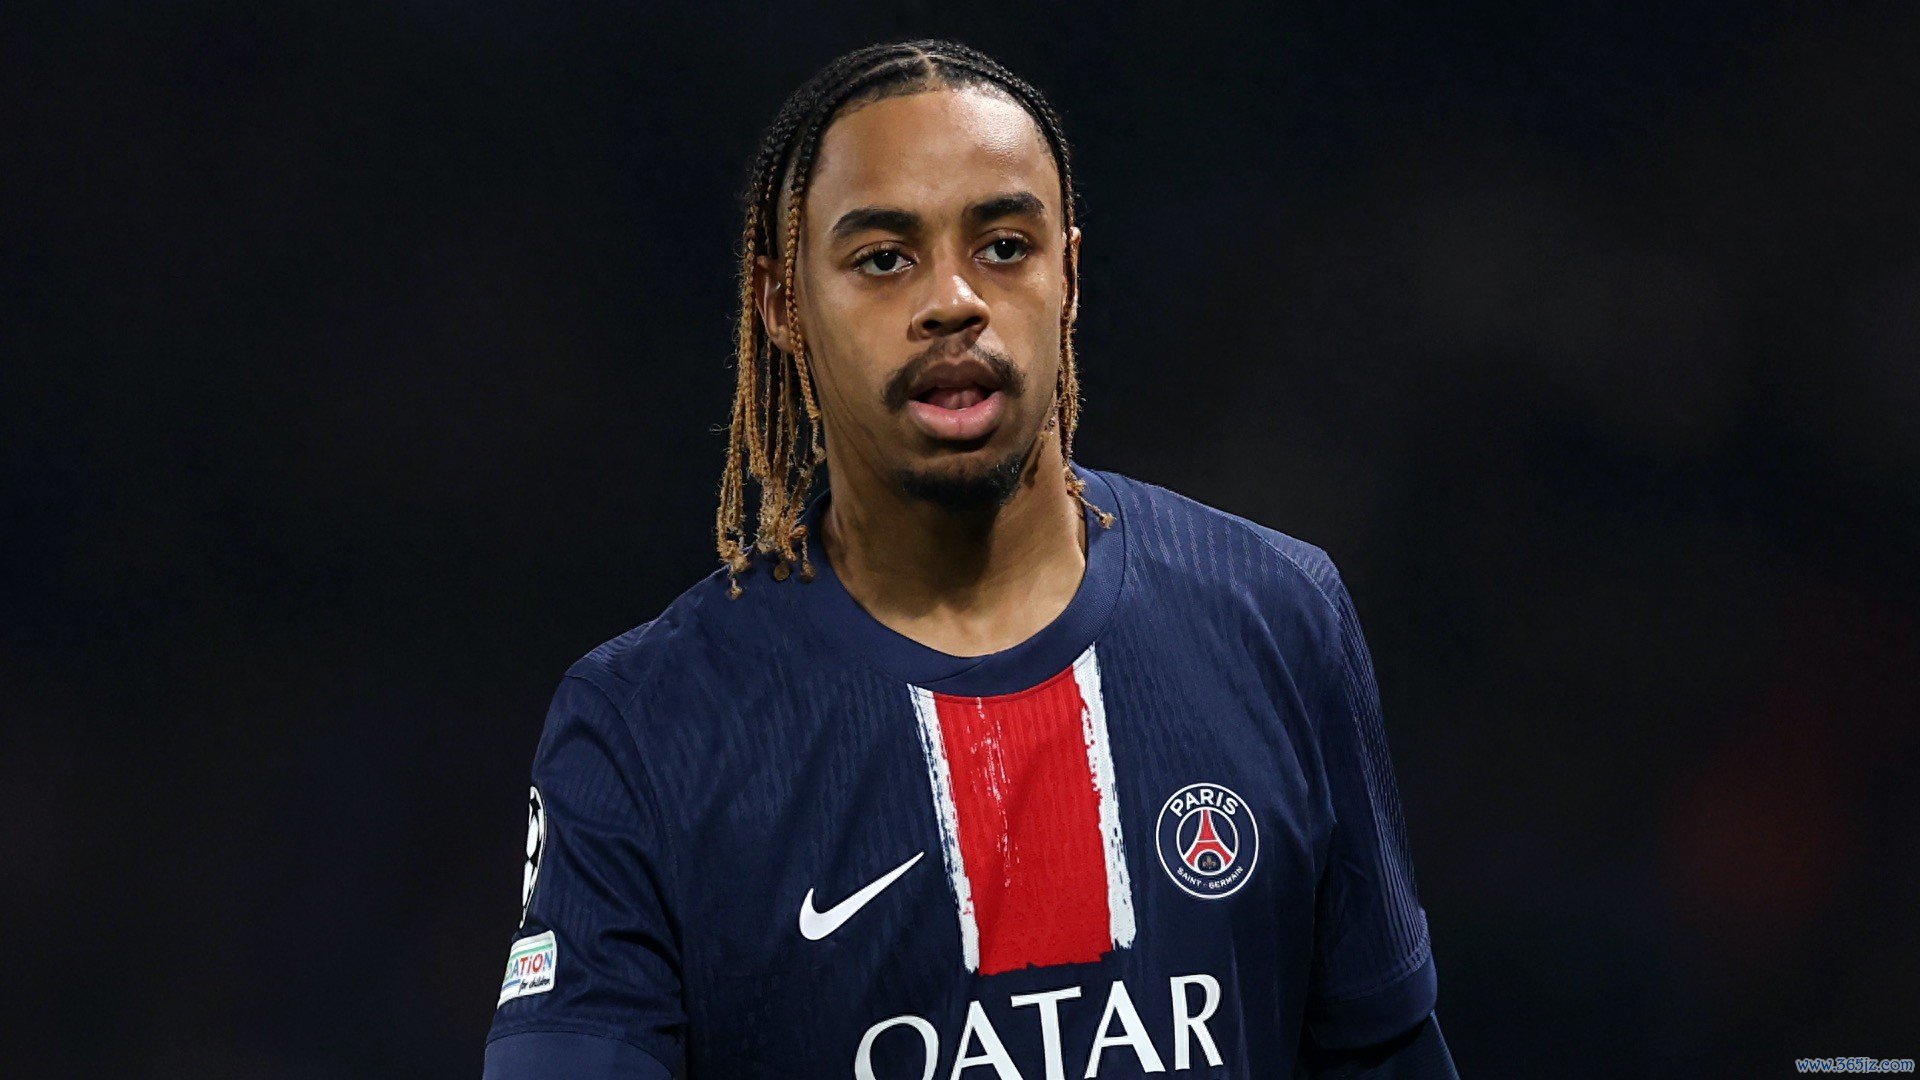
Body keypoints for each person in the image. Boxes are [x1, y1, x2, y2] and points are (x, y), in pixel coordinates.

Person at [483, 38, 1457, 1079]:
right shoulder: (647, 723)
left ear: (1068, 274)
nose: (953, 298)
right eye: (883, 258)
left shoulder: (1276, 615)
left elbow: (1384, 1052)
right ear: (781, 305)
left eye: (1003, 246)